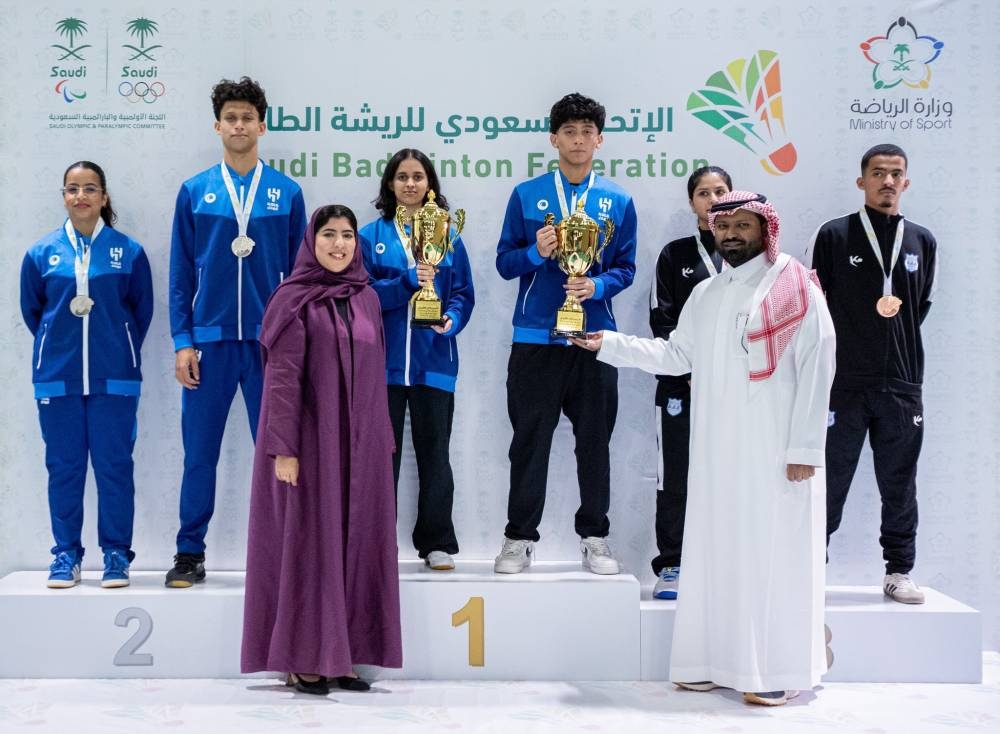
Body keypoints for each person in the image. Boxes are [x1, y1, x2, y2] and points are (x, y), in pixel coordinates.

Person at [573, 191, 836, 705]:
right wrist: (609, 343)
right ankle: (710, 662)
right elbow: (676, 356)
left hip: (777, 453)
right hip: (717, 451)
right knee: (716, 553)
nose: (732, 234)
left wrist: (806, 447)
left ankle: (774, 670)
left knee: (770, 556)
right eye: (724, 226)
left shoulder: (794, 284)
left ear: (765, 228)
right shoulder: (707, 293)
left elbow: (819, 363)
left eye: (743, 225)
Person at [241, 204, 402, 695]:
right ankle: (302, 656)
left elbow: (376, 373)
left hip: (362, 447)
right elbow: (282, 380)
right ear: (312, 242)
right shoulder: (293, 300)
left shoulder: (367, 298)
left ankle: (343, 655)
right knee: (310, 545)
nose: (339, 244)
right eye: (329, 234)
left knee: (357, 543)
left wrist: (381, 438)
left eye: (347, 235)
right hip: (310, 445)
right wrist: (283, 448)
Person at [166, 76, 307, 587]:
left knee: (277, 453)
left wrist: (294, 343)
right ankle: (189, 552)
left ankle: (283, 554)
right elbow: (181, 274)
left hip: (270, 347)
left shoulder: (287, 193)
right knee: (199, 454)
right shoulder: (195, 191)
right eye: (231, 118)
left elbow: (301, 277)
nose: (240, 125)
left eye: (248, 118)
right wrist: (183, 341)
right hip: (210, 343)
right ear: (217, 126)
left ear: (262, 126)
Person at [494, 92, 637, 575]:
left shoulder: (618, 200)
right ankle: (518, 539)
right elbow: (504, 263)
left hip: (594, 341)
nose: (578, 140)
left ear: (600, 140)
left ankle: (595, 537)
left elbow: (626, 268)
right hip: (535, 339)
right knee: (529, 443)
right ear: (553, 139)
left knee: (594, 443)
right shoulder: (526, 195)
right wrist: (535, 253)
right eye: (569, 132)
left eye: (586, 132)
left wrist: (597, 285)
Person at [809, 144, 938, 605]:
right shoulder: (834, 235)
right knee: (828, 481)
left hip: (902, 385)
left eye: (896, 174)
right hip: (843, 384)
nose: (887, 181)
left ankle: (899, 570)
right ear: (861, 181)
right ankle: (809, 569)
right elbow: (814, 307)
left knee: (900, 483)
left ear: (906, 182)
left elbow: (918, 306)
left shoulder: (922, 240)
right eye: (878, 173)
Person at [20, 161, 154, 589]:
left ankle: (116, 554)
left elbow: (141, 312)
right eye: (73, 188)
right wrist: (58, 347)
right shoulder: (41, 253)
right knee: (64, 468)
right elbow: (34, 313)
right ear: (63, 196)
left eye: (90, 188)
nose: (81, 196)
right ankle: (66, 555)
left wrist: (116, 347)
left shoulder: (128, 251)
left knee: (115, 468)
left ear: (104, 196)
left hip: (114, 378)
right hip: (57, 378)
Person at [359, 149, 475, 571]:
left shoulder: (449, 235)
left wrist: (453, 319)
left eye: (418, 176)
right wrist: (407, 281)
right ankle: (378, 545)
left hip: (435, 362)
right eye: (402, 176)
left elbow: (463, 293)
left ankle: (437, 542)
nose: (410, 184)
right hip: (383, 367)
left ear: (430, 184)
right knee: (380, 460)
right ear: (390, 184)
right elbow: (363, 295)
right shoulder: (370, 236)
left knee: (435, 456)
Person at [648, 165, 732, 599]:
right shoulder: (674, 254)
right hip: (681, 388)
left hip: (738, 390)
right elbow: (660, 320)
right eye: (704, 193)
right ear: (691, 202)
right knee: (676, 478)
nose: (713, 200)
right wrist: (691, 371)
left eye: (720, 191)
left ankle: (727, 567)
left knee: (735, 477)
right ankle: (672, 564)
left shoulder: (752, 256)